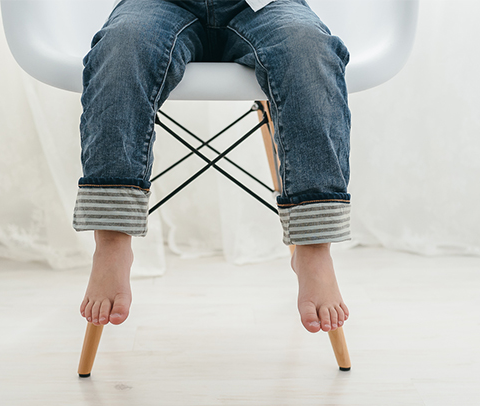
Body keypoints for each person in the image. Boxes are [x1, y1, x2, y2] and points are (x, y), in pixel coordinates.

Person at [75, 0, 351, 334]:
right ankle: (111, 241)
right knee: (123, 49)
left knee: (307, 50)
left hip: (265, 5)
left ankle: (314, 246)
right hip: (161, 4)